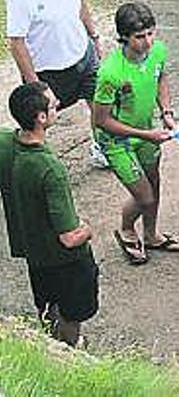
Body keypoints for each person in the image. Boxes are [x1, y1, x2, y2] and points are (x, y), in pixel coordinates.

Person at [0, 82, 98, 348]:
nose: (59, 107)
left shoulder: (6, 144)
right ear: (41, 118)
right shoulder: (50, 169)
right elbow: (68, 237)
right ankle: (70, 347)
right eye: (54, 105)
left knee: (47, 304)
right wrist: (88, 230)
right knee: (72, 311)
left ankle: (51, 342)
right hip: (66, 260)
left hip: (35, 253)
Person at [4, 0, 108, 168]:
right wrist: (36, 86)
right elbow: (16, 42)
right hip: (47, 69)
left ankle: (100, 146)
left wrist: (94, 37)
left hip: (83, 53)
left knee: (100, 102)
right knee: (40, 119)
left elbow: (81, 3)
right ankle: (39, 164)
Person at [93, 2, 179, 265]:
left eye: (150, 33)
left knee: (154, 184)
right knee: (144, 196)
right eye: (139, 37)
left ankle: (151, 235)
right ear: (123, 37)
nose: (148, 42)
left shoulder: (158, 51)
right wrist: (147, 135)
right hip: (118, 142)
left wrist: (166, 111)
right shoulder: (110, 73)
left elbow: (161, 79)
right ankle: (126, 230)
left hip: (147, 133)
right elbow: (101, 120)